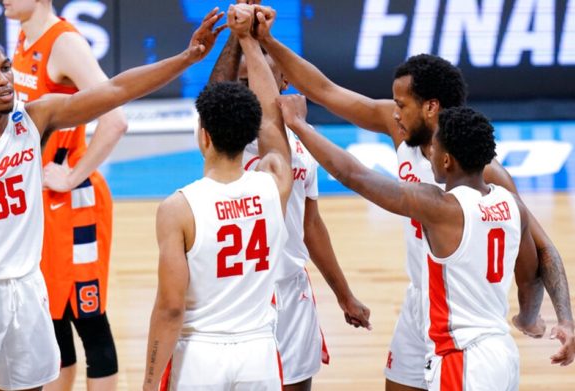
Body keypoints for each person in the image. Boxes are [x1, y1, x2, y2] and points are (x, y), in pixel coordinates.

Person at [0, 9, 225, 390]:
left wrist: (188, 57)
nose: (3, 79)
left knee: (31, 385)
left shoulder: (34, 118)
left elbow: (116, 91)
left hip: (27, 286)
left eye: (5, 68)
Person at [251, 7, 575, 390]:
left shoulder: (484, 173)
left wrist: (553, 316)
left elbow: (539, 250)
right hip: (421, 301)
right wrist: (267, 40)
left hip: (464, 321)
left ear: (431, 107)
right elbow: (324, 91)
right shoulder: (401, 126)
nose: (394, 113)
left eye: (402, 104)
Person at [281, 97, 546, 389]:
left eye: (435, 147)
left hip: (462, 358)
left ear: (447, 160)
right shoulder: (511, 205)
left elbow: (353, 175)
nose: (429, 152)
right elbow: (531, 279)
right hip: (502, 353)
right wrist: (527, 318)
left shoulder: (441, 207)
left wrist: (299, 125)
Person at [207, 2, 370, 389]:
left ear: (282, 83)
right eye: (240, 85)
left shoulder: (300, 148)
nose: (246, 93)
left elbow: (311, 226)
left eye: (256, 82)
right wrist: (238, 34)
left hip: (290, 289)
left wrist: (344, 295)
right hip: (236, 296)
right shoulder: (223, 143)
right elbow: (217, 93)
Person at [142, 5, 292, 390]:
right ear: (248, 137)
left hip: (200, 354)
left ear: (203, 136)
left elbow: (171, 308)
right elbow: (273, 118)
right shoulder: (273, 181)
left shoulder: (178, 208)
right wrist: (249, 39)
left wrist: (148, 382)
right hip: (258, 349)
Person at [5, 0, 127, 389]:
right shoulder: (25, 37)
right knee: (51, 318)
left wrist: (73, 175)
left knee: (88, 319)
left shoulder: (65, 44)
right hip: (39, 202)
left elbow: (116, 118)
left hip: (75, 207)